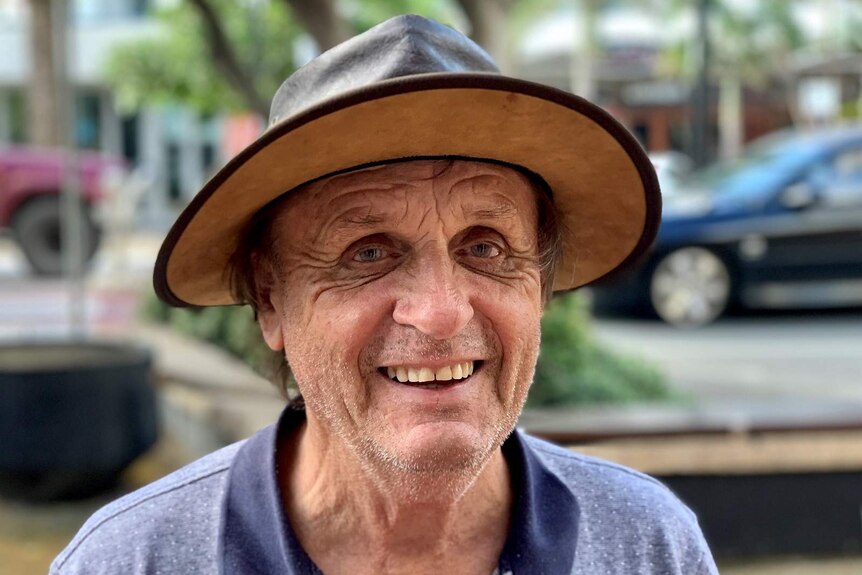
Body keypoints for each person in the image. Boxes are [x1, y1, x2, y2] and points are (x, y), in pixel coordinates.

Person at [52, 14, 718, 575]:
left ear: (539, 286)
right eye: (367, 252)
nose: (439, 310)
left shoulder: (648, 546)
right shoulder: (133, 559)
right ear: (271, 300)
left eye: (485, 247)